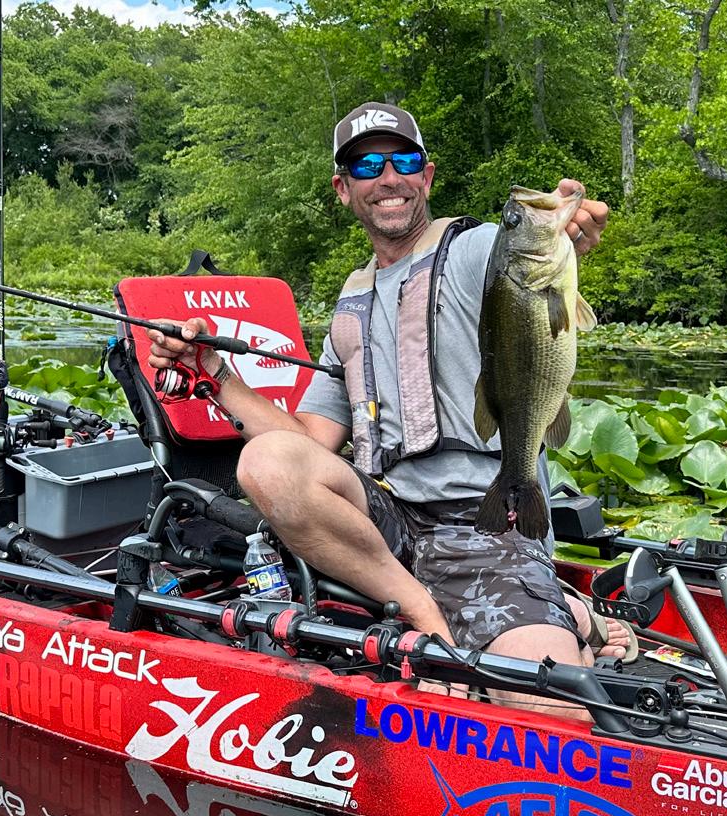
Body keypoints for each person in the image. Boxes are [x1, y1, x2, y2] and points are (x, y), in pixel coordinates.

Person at [147, 101, 625, 719]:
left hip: (488, 522)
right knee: (267, 462)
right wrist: (214, 373)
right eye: (367, 166)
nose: (388, 177)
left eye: (404, 160)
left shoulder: (478, 248)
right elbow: (310, 443)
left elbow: (540, 246)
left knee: (549, 710)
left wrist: (570, 224)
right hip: (391, 526)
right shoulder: (352, 302)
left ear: (427, 175)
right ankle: (428, 611)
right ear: (344, 189)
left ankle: (559, 613)